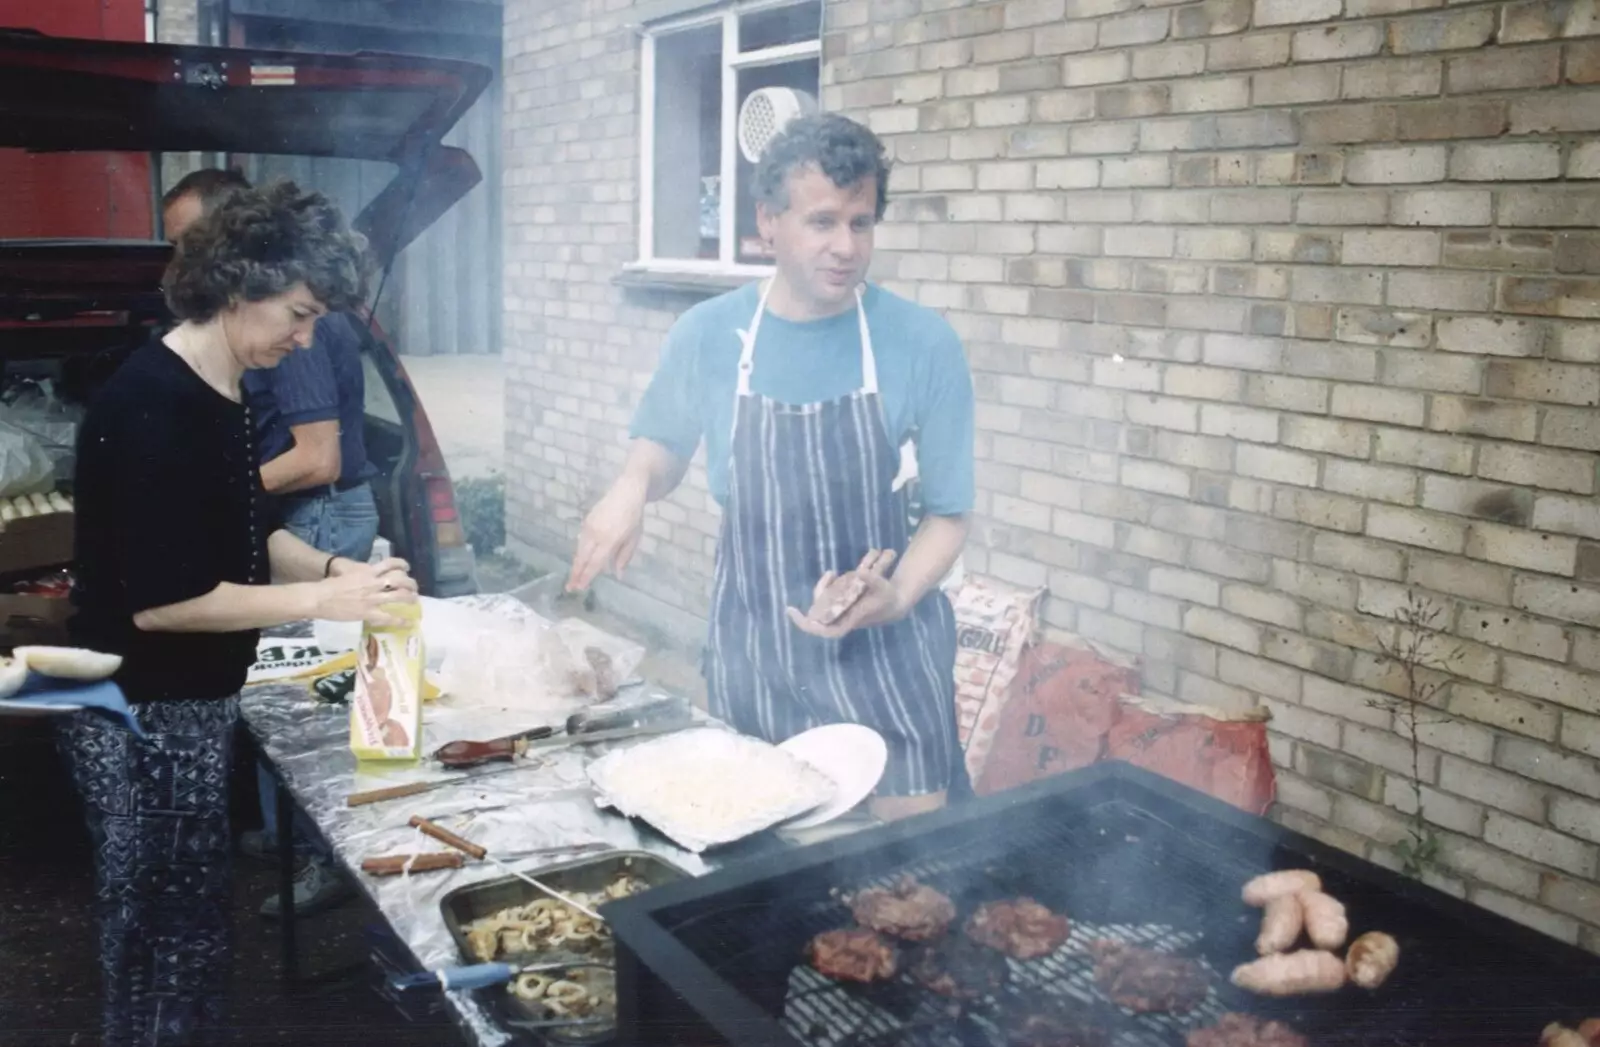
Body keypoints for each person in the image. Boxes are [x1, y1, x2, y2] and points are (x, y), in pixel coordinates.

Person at [65, 179, 418, 1047]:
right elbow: (164, 604)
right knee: (159, 942)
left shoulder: (223, 385)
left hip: (185, 706)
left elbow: (243, 533)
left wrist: (340, 568)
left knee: (187, 931)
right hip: (139, 715)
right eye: (296, 315)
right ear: (235, 285)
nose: (304, 338)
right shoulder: (152, 406)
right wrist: (322, 599)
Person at [567, 114, 975, 823]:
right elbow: (662, 443)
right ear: (767, 222)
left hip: (887, 644)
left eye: (861, 223)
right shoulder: (708, 334)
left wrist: (899, 595)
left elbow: (948, 512)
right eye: (822, 222)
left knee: (911, 879)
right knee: (769, 874)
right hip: (758, 648)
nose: (845, 247)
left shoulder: (922, 342)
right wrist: (630, 486)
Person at [164, 170, 380, 917]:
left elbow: (316, 455)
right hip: (297, 517)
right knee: (278, 694)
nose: (180, 268)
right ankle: (291, 832)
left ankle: (325, 853)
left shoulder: (297, 332)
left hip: (316, 512)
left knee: (303, 701)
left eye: (189, 244)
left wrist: (218, 495)